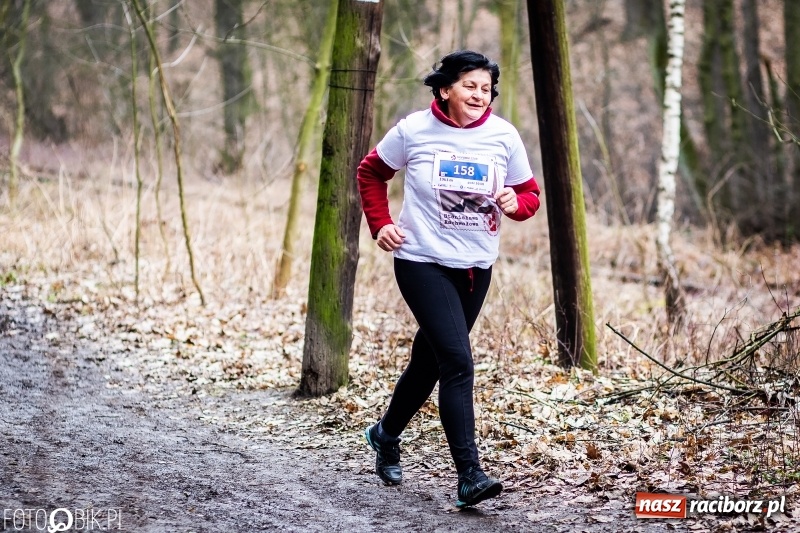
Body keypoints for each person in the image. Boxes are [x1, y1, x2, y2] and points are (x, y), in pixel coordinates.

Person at [356, 50, 541, 508]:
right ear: (444, 89)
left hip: (476, 266)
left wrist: (517, 205)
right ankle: (469, 475)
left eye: (486, 88)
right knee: (458, 361)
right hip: (421, 260)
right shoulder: (414, 130)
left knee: (430, 362)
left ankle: (385, 434)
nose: (479, 95)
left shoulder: (503, 136)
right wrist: (380, 224)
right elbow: (371, 171)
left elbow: (529, 195)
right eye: (469, 85)